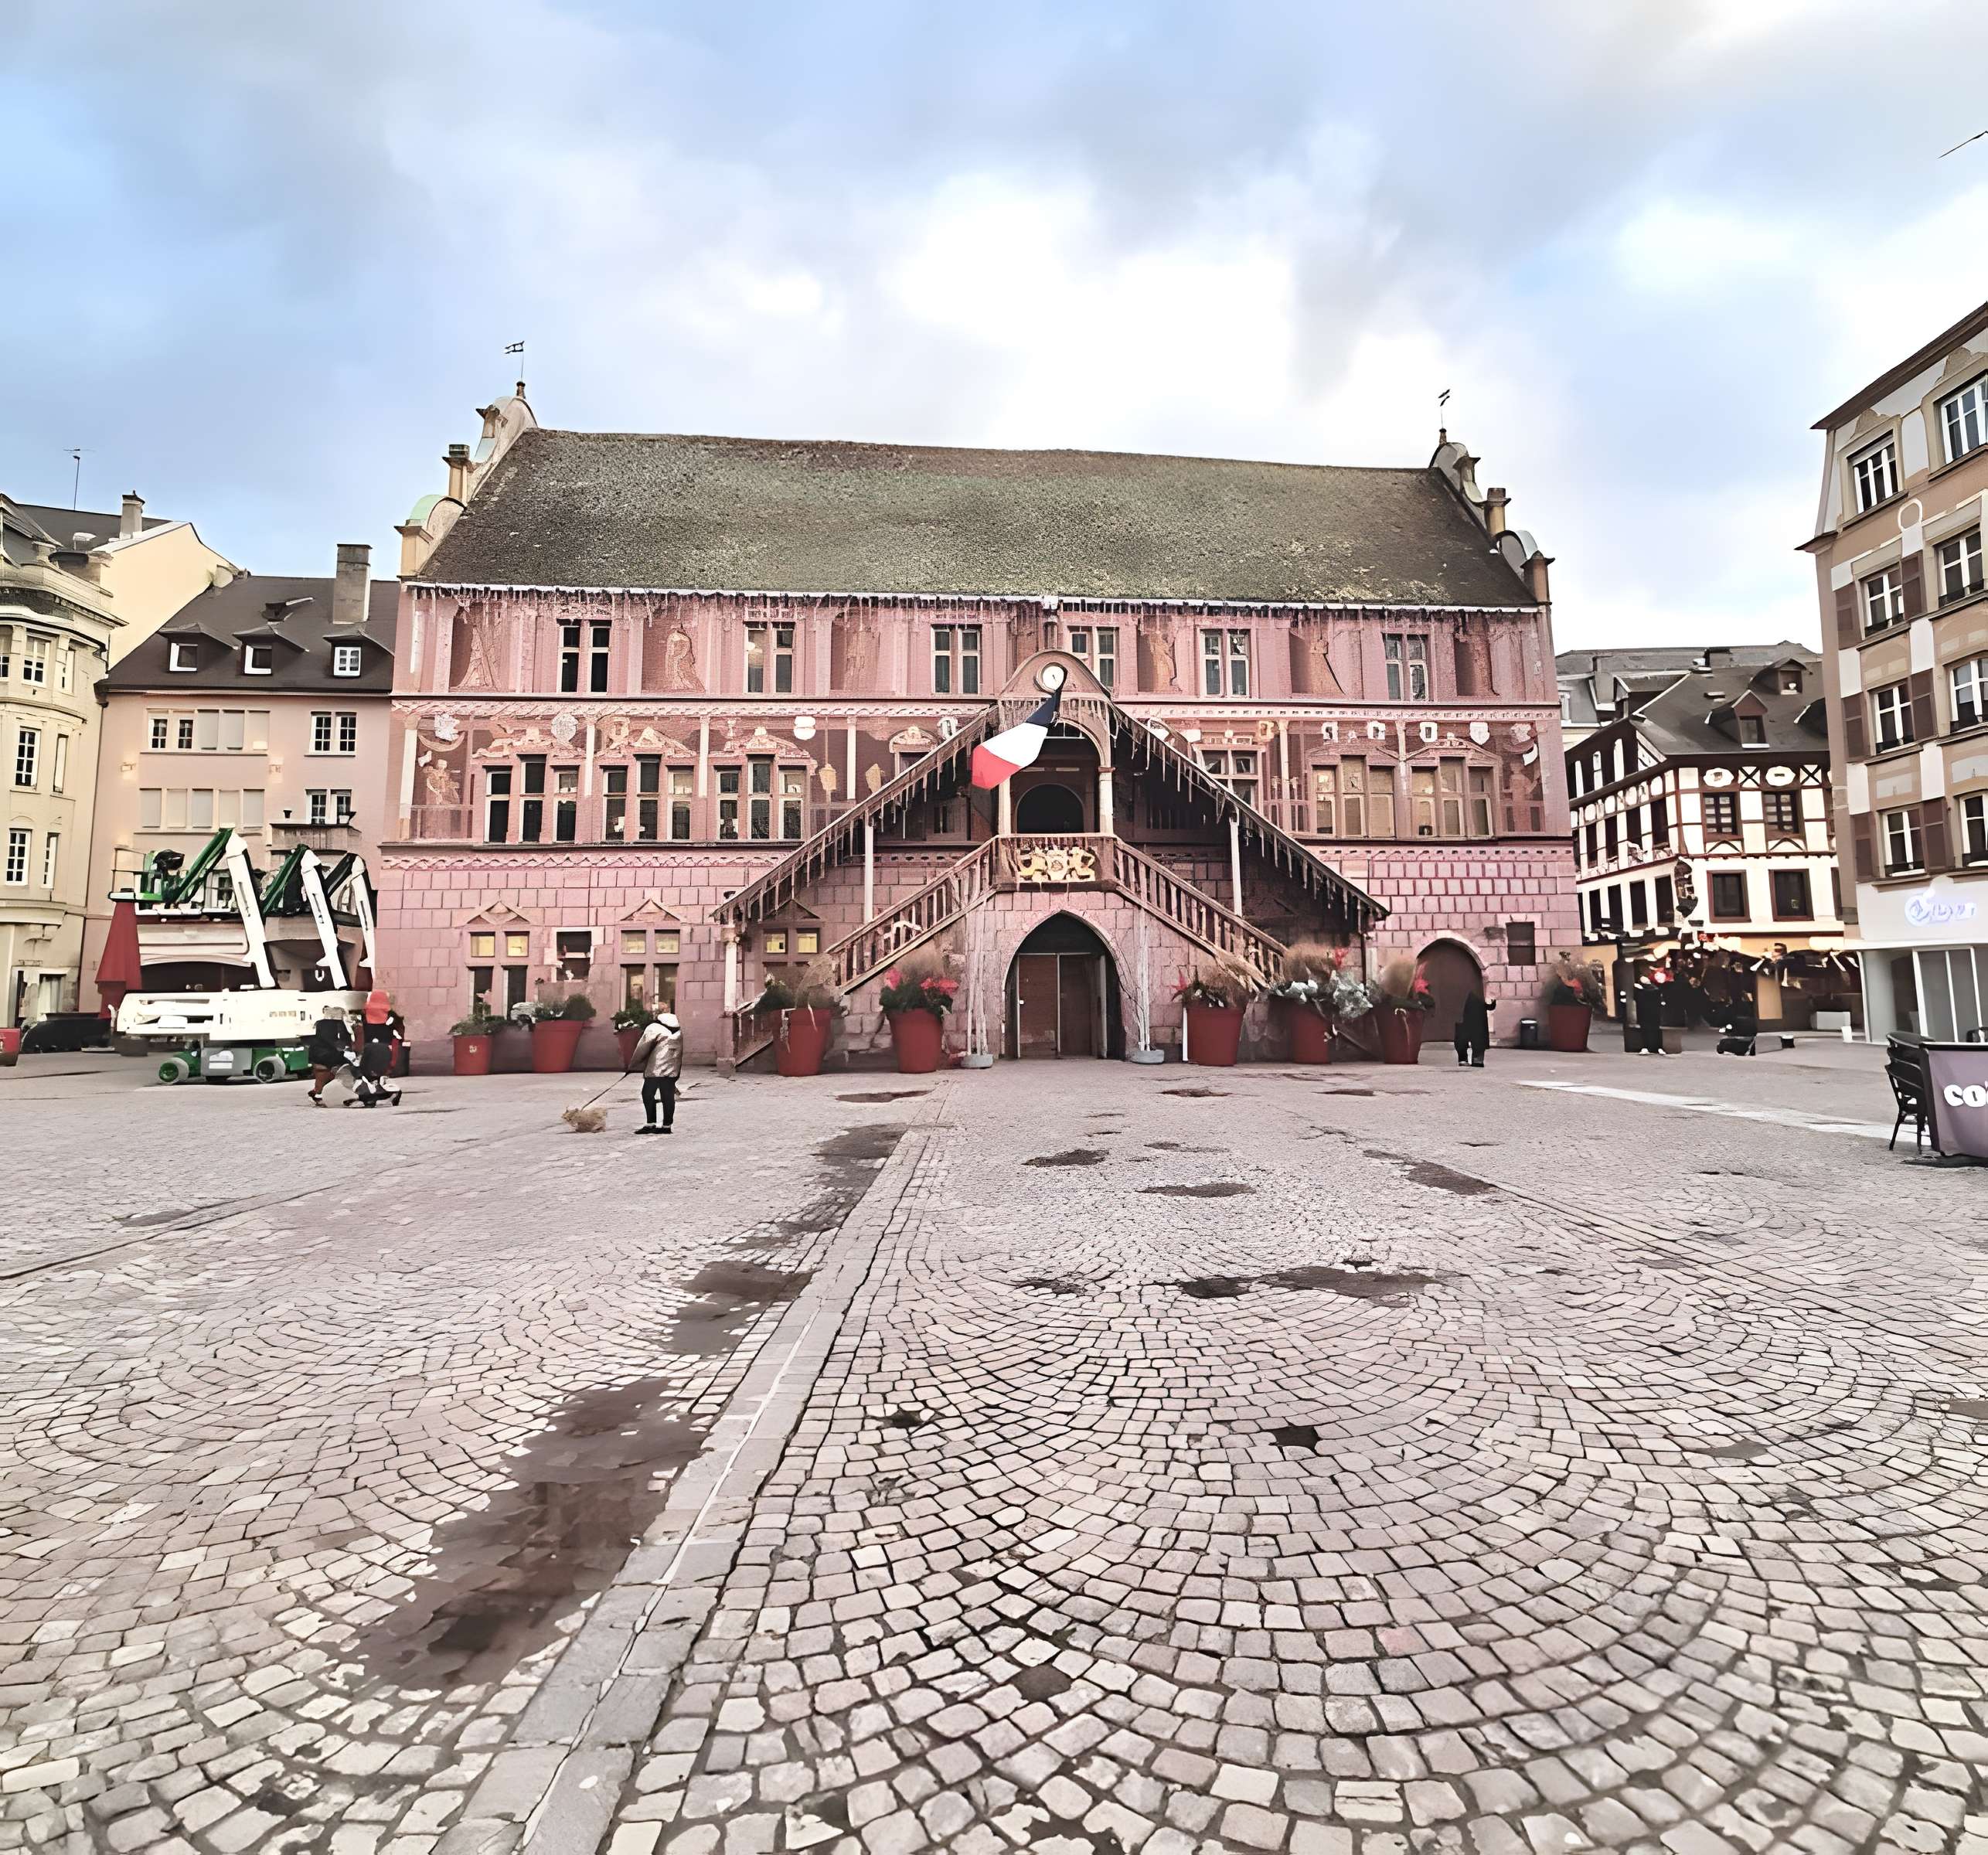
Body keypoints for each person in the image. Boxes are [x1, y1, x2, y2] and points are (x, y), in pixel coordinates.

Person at [631, 1009, 683, 1134]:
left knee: (647, 1094)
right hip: (672, 1069)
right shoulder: (679, 1032)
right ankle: (666, 1126)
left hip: (656, 1070)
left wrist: (633, 1064)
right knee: (668, 1097)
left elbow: (642, 1048)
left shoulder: (654, 1028)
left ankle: (651, 1124)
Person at [352, 989, 403, 1108]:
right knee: (380, 1073)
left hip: (368, 1048)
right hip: (385, 1048)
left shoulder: (364, 1015)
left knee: (367, 1073)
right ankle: (383, 1091)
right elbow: (399, 1033)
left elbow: (359, 1033)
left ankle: (371, 1092)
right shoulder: (391, 1016)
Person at [306, 1006, 354, 1105]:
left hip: (315, 1054)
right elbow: (342, 1040)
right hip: (328, 1055)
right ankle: (351, 1091)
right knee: (349, 1066)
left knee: (325, 1074)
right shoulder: (338, 1024)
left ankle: (318, 1092)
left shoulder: (320, 1023)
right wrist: (346, 1048)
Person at [1453, 989, 1492, 1068]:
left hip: (1470, 1011)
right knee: (1465, 1036)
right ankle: (1471, 1059)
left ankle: (1468, 1059)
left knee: (1465, 1035)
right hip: (1468, 1011)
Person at [1633, 969, 1666, 1056]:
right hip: (1653, 1013)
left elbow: (1637, 999)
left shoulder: (1642, 990)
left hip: (1646, 1013)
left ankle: (1649, 1047)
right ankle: (1657, 1047)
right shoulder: (1655, 989)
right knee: (1654, 1030)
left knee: (1647, 1031)